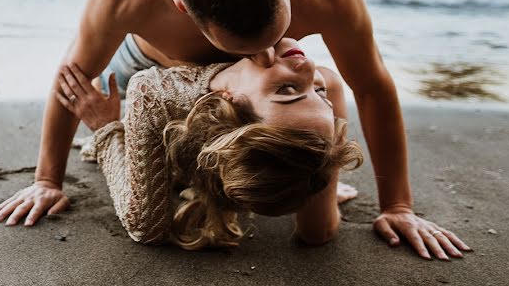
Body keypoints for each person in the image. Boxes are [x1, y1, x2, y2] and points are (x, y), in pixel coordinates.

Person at [0, 0, 471, 260]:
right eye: (248, 46)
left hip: (254, 100)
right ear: (183, 9)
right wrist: (47, 179)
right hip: (149, 66)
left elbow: (372, 86)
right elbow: (71, 77)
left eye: (275, 32)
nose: (268, 51)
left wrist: (397, 206)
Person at [56, 37, 368, 249]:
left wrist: (106, 127)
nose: (312, 69)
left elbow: (144, 226)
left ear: (228, 101)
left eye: (288, 89)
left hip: (154, 103)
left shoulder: (158, 93)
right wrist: (308, 169)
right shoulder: (156, 92)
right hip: (136, 59)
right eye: (319, 92)